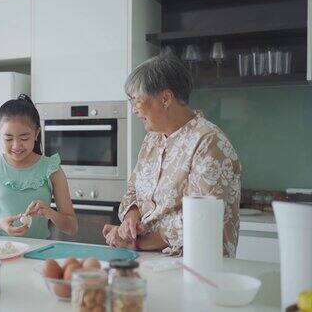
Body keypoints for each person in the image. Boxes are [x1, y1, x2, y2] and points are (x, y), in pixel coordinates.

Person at [103, 55, 241, 257]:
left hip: (195, 266)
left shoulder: (209, 142)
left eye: (137, 101)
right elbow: (133, 190)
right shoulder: (152, 139)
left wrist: (137, 244)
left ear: (165, 98)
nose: (134, 110)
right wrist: (131, 216)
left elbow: (199, 218)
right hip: (149, 260)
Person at [0, 94, 78, 238]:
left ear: (36, 134)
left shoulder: (52, 169)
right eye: (8, 138)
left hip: (39, 254)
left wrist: (50, 212)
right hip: (0, 251)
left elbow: (72, 227)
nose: (16, 145)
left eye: (24, 138)